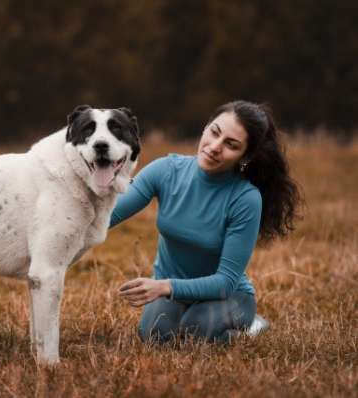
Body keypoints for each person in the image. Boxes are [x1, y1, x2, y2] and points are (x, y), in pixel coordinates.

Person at [111, 100, 301, 343]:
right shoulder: (166, 170)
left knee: (196, 330)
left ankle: (252, 326)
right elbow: (109, 214)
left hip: (227, 297)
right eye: (214, 132)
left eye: (231, 145)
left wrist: (164, 287)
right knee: (154, 336)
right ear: (206, 127)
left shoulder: (245, 198)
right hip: (171, 293)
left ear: (246, 156)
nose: (214, 147)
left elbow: (225, 282)